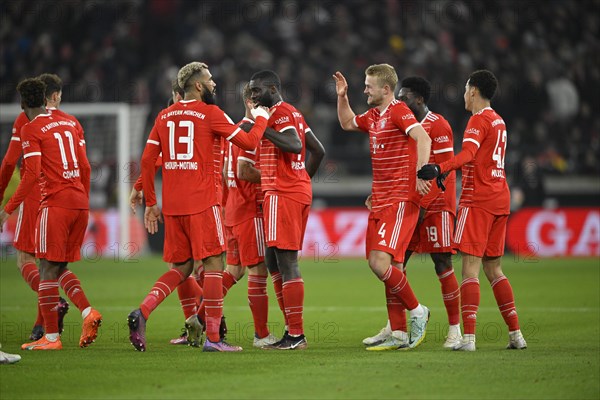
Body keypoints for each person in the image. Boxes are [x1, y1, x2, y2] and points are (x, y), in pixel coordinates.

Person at [127, 61, 270, 352]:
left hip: (173, 206)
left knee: (181, 267)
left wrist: (151, 204)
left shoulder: (164, 116)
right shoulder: (210, 113)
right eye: (210, 79)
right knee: (215, 264)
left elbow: (145, 161)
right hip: (204, 204)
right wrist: (262, 117)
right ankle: (214, 338)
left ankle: (143, 311)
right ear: (198, 85)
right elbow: (249, 139)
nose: (214, 83)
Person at [418, 70, 527, 351]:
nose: (465, 94)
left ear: (474, 91)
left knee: (470, 271)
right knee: (495, 269)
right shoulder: (499, 120)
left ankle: (468, 338)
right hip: (500, 198)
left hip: (477, 200)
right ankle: (516, 335)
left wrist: (439, 168)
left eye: (467, 89)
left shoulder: (477, 120)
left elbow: (468, 155)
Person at [333, 65, 431, 350]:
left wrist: (420, 173)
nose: (365, 89)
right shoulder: (374, 116)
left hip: (400, 199)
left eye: (369, 86)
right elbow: (348, 123)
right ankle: (399, 332)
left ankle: (417, 311)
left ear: (386, 90)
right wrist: (342, 96)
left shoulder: (399, 111)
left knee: (379, 263)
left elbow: (422, 138)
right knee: (394, 266)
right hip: (381, 198)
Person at [0, 78, 102, 350]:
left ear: (22, 104)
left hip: (52, 202)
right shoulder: (71, 122)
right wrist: (85, 201)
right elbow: (86, 168)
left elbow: (27, 171)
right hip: (79, 201)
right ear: (48, 97)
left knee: (40, 265)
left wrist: (7, 208)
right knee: (59, 267)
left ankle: (52, 337)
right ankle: (86, 311)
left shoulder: (29, 127)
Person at [362, 77, 461, 349]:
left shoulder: (438, 125)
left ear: (418, 99)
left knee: (442, 263)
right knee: (395, 264)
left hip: (437, 203)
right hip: (410, 201)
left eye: (404, 97)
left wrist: (420, 202)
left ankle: (454, 329)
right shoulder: (401, 121)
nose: (399, 101)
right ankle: (396, 327)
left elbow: (443, 168)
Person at [248, 70, 325, 350]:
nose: (253, 97)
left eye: (257, 91)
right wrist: (302, 179)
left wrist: (260, 127)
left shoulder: (279, 114)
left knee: (287, 262)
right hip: (289, 191)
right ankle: (291, 330)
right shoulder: (294, 113)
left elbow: (294, 145)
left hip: (282, 193)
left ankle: (296, 334)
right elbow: (318, 150)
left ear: (272, 88)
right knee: (273, 261)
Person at [129, 79, 206, 347]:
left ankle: (197, 318)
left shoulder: (171, 118)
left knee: (187, 267)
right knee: (200, 267)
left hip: (183, 202)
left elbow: (154, 159)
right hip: (206, 201)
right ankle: (204, 322)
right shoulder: (206, 117)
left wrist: (144, 193)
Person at [0, 74, 73, 341]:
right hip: (64, 199)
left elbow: (9, 162)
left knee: (25, 260)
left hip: (35, 196)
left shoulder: (25, 120)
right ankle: (41, 325)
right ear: (52, 96)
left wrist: (3, 201)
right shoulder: (66, 121)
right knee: (51, 264)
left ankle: (53, 306)